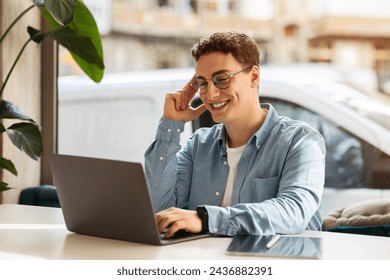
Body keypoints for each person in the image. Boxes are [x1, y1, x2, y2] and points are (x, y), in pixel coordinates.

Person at [144, 31, 325, 238]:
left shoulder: (301, 141)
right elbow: (162, 210)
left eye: (221, 79)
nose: (210, 95)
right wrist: (171, 125)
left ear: (254, 76)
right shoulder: (199, 145)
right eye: (203, 83)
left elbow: (294, 211)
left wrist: (206, 219)